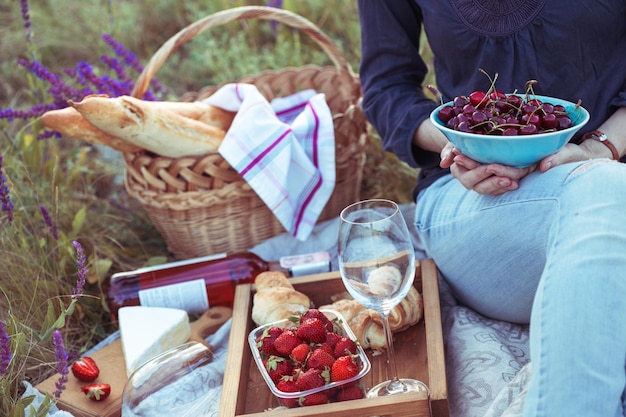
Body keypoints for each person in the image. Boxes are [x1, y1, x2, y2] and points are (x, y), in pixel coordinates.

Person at [357, 1, 626, 416]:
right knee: (604, 188)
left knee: (605, 184)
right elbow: (386, 88)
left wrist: (600, 147)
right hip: (471, 204)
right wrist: (458, 144)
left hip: (611, 185)